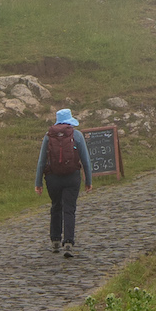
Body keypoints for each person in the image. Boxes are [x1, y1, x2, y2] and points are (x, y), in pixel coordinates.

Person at [34, 108, 94, 258]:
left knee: (56, 206)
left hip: (52, 178)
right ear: (70, 121)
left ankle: (55, 240)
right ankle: (68, 242)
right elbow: (85, 160)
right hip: (72, 177)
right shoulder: (77, 135)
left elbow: (42, 161)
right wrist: (88, 180)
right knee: (69, 209)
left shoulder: (48, 136)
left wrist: (38, 183)